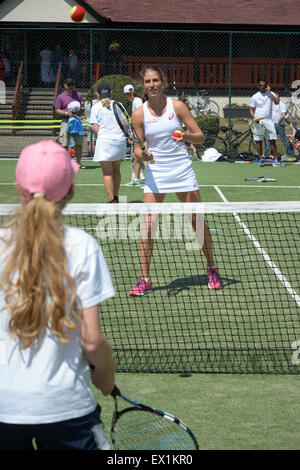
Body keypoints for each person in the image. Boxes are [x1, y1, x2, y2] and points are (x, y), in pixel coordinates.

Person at [0, 140, 115, 450]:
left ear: (17, 185)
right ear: (70, 191)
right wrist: (106, 373)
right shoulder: (83, 246)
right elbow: (92, 341)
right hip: (66, 408)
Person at [128, 65, 221, 296]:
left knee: (196, 220)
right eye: (148, 81)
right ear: (144, 85)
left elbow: (200, 137)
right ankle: (145, 279)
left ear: (163, 82)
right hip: (156, 174)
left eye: (156, 80)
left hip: (182, 171)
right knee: (148, 226)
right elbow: (136, 149)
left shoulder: (177, 106)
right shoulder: (139, 114)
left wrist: (185, 135)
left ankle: (211, 267)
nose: (152, 85)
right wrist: (144, 155)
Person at [90, 83, 126, 203]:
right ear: (110, 93)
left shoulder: (95, 107)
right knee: (116, 170)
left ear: (98, 94)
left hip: (105, 142)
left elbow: (95, 128)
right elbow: (125, 123)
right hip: (120, 141)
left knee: (107, 173)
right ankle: (115, 197)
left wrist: (104, 134)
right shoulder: (118, 104)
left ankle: (111, 200)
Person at [250, 78, 285, 167]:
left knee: (272, 140)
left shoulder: (270, 93)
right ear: (258, 86)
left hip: (269, 120)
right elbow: (251, 109)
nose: (262, 87)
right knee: (258, 141)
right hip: (258, 120)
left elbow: (277, 102)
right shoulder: (255, 96)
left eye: (264, 85)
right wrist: (254, 118)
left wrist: (269, 92)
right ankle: (261, 159)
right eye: (260, 85)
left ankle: (276, 161)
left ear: (266, 86)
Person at [54, 78, 86, 168]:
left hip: (76, 121)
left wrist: (82, 111)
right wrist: (66, 113)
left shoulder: (78, 95)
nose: (71, 87)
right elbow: (56, 110)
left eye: (72, 84)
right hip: (66, 121)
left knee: (79, 143)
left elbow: (82, 107)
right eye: (69, 85)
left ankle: (78, 163)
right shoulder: (61, 96)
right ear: (65, 86)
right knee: (64, 143)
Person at [123, 84, 145, 187]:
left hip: (140, 131)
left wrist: (135, 131)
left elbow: (141, 116)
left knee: (142, 155)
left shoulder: (137, 101)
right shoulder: (136, 101)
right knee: (136, 155)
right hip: (137, 130)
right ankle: (136, 179)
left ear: (127, 94)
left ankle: (147, 179)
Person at [263, 92, 292, 160]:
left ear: (279, 97)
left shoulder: (281, 104)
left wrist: (278, 122)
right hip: (273, 125)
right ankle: (264, 154)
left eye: (276, 97)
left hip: (279, 125)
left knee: (284, 139)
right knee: (270, 140)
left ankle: (289, 154)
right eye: (274, 97)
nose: (275, 98)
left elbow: (283, 115)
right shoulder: (273, 104)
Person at [84, 90, 99, 157]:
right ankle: (94, 153)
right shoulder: (96, 102)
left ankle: (89, 152)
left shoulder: (86, 103)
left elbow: (85, 113)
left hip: (88, 121)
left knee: (89, 139)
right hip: (95, 121)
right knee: (95, 139)